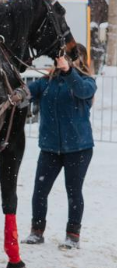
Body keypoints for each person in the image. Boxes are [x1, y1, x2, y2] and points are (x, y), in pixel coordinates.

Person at [23, 45, 96, 250]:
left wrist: (69, 71)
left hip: (79, 148)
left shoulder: (87, 82)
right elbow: (26, 92)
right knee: (40, 190)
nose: (61, 60)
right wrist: (17, 92)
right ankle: (37, 231)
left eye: (67, 58)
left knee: (73, 192)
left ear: (77, 60)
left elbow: (82, 91)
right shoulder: (47, 83)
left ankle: (73, 235)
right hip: (50, 148)